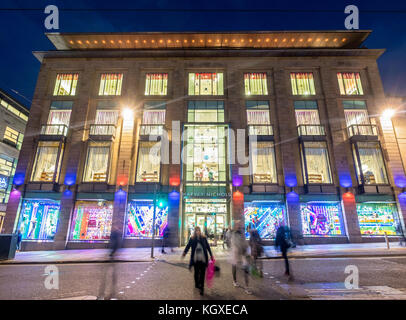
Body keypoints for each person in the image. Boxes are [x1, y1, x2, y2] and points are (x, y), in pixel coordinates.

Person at [182, 226, 214, 296]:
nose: (197, 232)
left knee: (202, 274)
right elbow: (188, 246)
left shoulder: (204, 238)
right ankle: (197, 283)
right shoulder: (192, 238)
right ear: (194, 231)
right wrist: (184, 252)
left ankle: (201, 288)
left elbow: (208, 247)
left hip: (203, 259)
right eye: (196, 230)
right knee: (196, 273)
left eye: (198, 230)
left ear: (200, 231)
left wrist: (211, 255)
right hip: (196, 259)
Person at [98, 226, 121, 300]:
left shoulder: (115, 234)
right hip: (112, 255)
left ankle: (108, 292)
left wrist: (112, 253)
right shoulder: (116, 234)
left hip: (112, 255)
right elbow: (115, 243)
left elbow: (114, 244)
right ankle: (111, 291)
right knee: (111, 273)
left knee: (109, 273)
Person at [230, 222, 251, 294]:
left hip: (243, 253)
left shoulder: (242, 233)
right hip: (236, 253)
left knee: (246, 269)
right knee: (234, 266)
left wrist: (247, 250)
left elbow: (245, 242)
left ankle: (247, 287)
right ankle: (234, 281)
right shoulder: (233, 234)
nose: (238, 226)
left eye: (239, 225)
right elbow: (233, 243)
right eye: (237, 225)